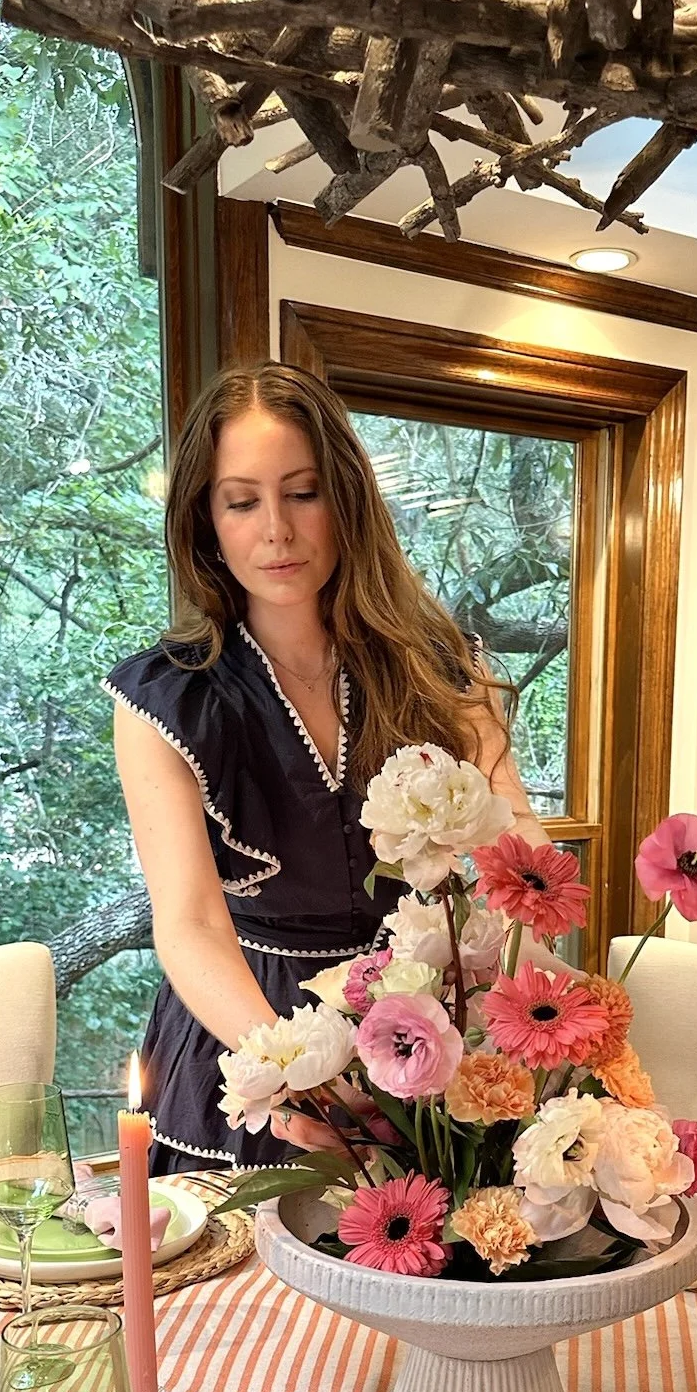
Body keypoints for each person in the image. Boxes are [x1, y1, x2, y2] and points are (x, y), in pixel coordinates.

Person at [107, 362, 549, 1174]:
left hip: (422, 1031)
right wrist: (296, 1070)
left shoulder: (443, 667)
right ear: (207, 521)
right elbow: (191, 925)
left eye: (302, 492)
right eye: (241, 501)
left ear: (346, 500)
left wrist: (534, 1017)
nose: (275, 529)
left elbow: (515, 854)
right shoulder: (163, 699)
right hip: (250, 1038)